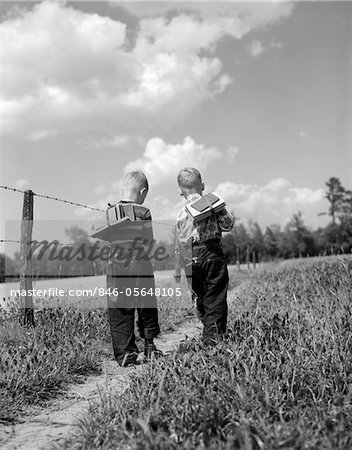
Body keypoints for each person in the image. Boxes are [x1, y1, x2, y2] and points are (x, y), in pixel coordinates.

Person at [106, 170, 161, 366]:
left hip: (116, 265)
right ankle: (149, 347)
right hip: (139, 263)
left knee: (119, 307)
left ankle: (125, 355)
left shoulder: (110, 213)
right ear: (142, 192)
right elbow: (149, 241)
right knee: (146, 304)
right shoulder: (143, 212)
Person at [175, 167, 235, 345]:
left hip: (191, 257)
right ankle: (212, 340)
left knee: (200, 293)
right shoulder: (212, 203)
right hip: (211, 253)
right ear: (202, 185)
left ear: (180, 191)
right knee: (215, 296)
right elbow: (228, 225)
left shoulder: (181, 213)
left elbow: (180, 242)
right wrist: (220, 212)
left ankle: (204, 313)